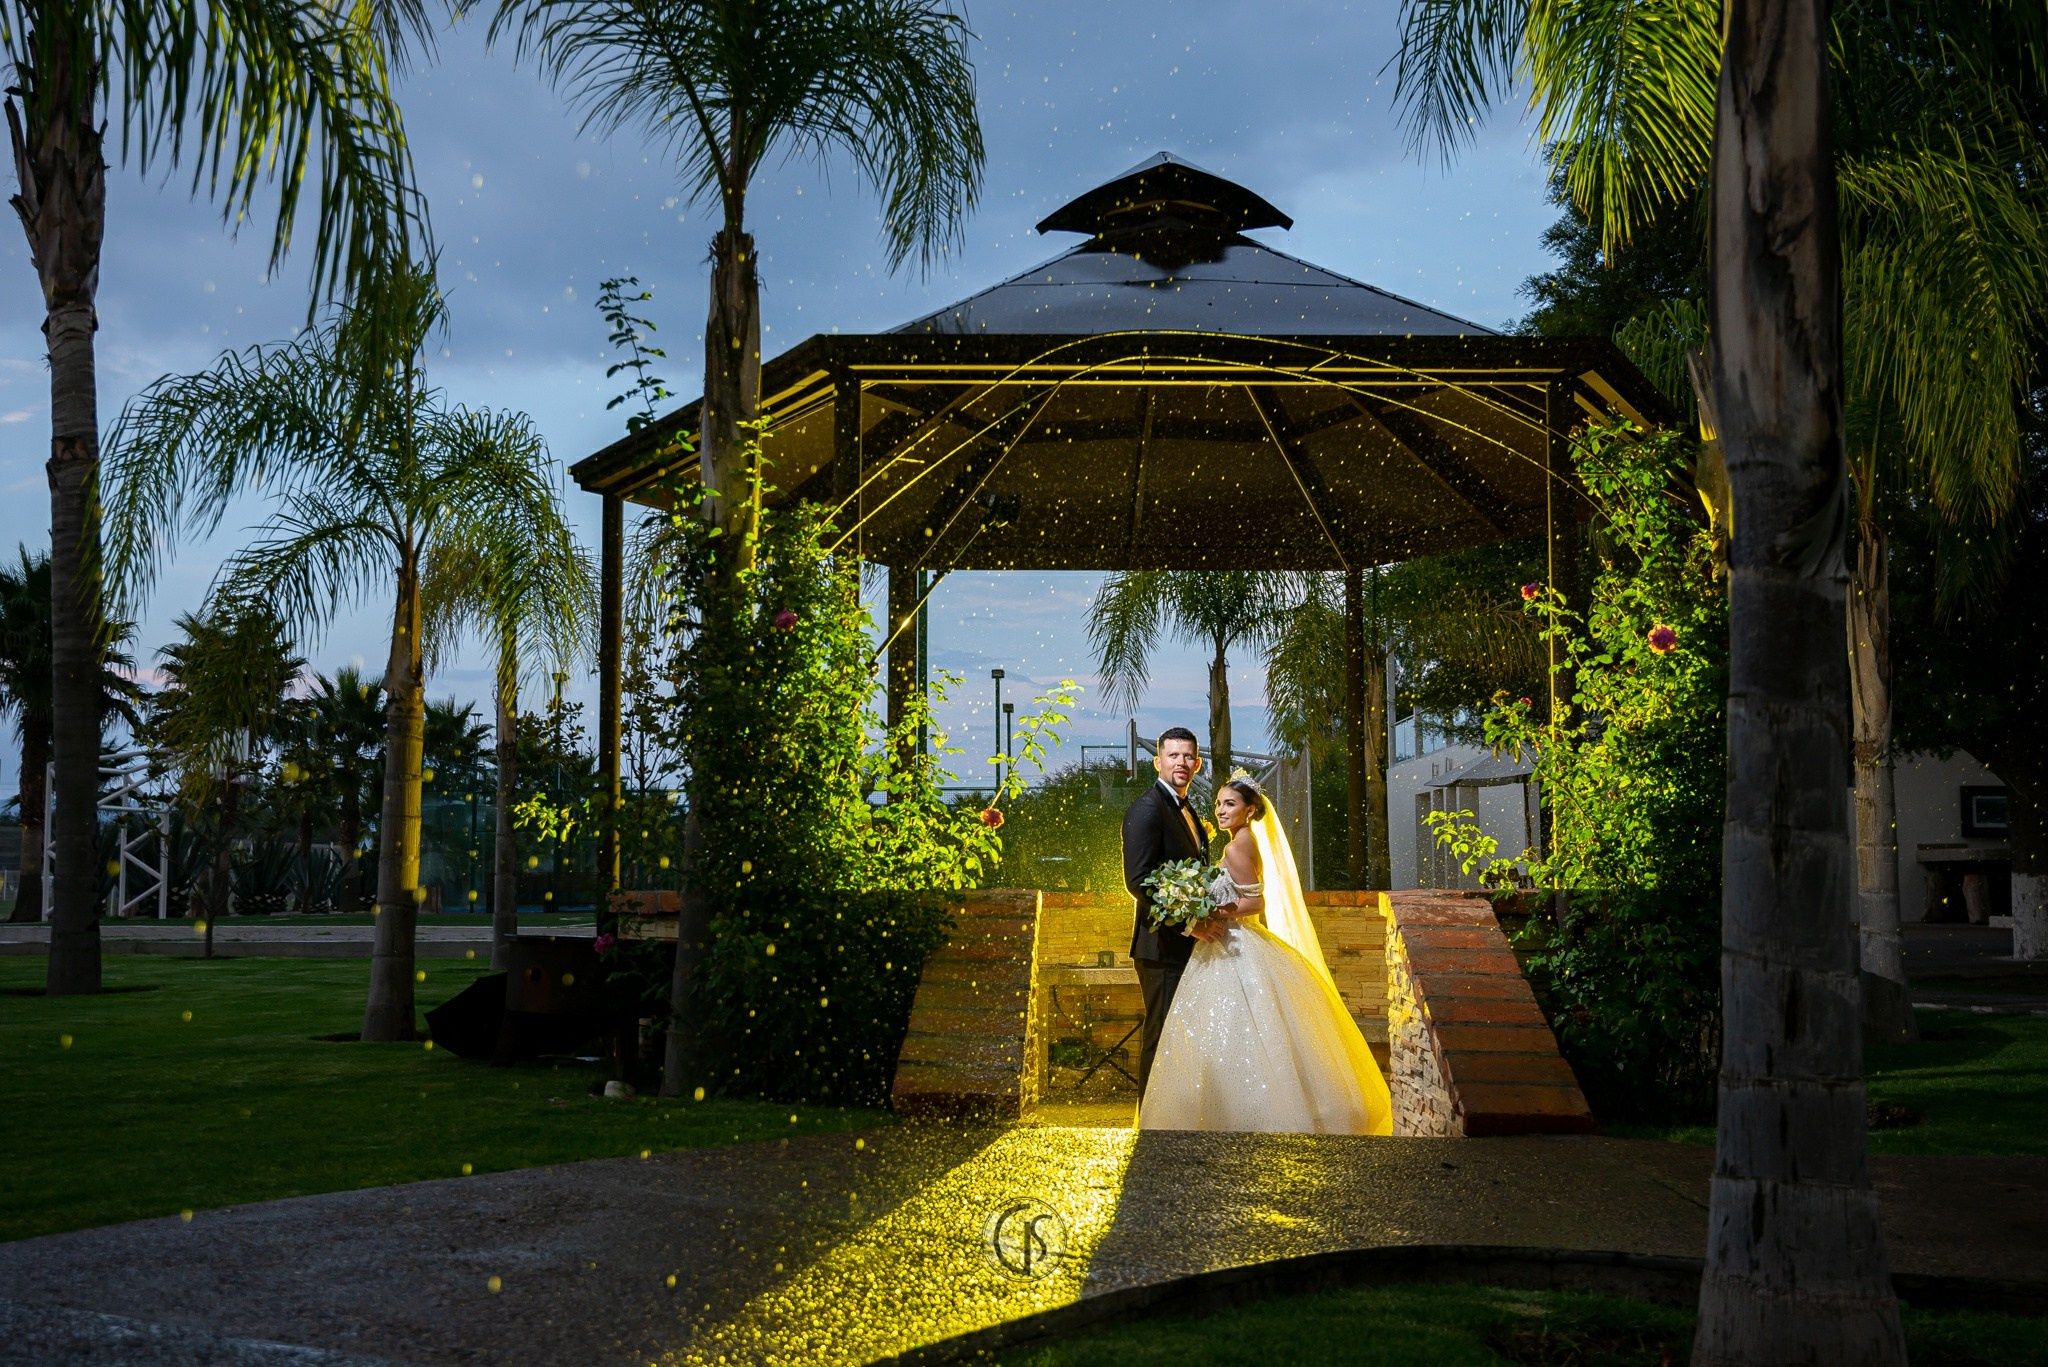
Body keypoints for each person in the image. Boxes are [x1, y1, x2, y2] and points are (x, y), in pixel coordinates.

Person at [1137, 775, 1394, 1135]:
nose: (1221, 810)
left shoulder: (1239, 847)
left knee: (1234, 1031)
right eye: (1219, 804)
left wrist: (1212, 912)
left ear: (1250, 810)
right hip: (1227, 942)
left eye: (1230, 804)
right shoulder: (1242, 841)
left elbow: (1256, 901)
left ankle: (1236, 1116)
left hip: (1235, 943)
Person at [1120, 726, 1221, 1094]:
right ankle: (1150, 1126)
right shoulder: (1147, 809)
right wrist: (1189, 924)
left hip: (1185, 948)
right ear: (1157, 761)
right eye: (1173, 755)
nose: (1181, 762)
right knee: (1161, 1034)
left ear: (1196, 764)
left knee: (1183, 1034)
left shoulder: (1187, 808)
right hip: (1160, 947)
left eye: (1188, 756)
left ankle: (1176, 1118)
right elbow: (1140, 880)